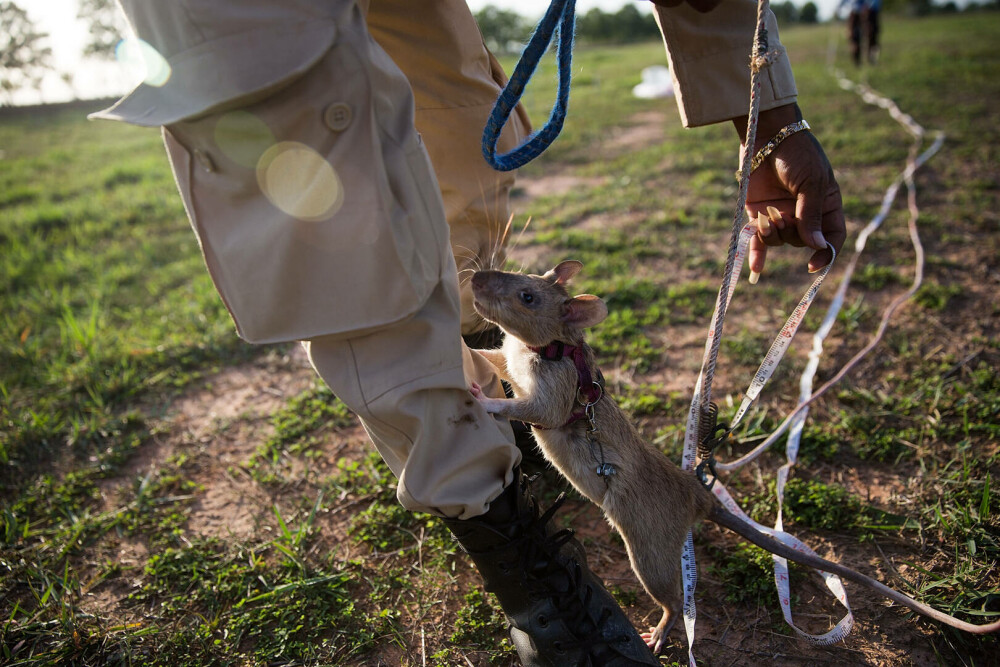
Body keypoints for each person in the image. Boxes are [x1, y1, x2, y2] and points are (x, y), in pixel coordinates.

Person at [92, 0, 844, 664]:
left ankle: (486, 422)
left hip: (591, 446)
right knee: (314, 166)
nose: (493, 283)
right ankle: (507, 543)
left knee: (452, 122)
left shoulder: (560, 350)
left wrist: (771, 117)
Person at [839, 0, 882, 66]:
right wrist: (839, 8)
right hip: (855, 12)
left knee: (872, 35)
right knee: (854, 37)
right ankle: (857, 61)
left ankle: (871, 59)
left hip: (869, 12)